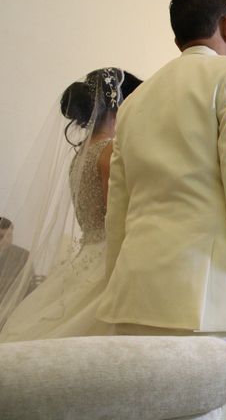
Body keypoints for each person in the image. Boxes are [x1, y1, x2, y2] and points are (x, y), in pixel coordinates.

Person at [95, 0, 226, 419]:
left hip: (134, 303)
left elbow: (117, 218)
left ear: (178, 37)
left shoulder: (137, 101)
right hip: (209, 311)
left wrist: (117, 293)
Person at [0, 68, 142, 340]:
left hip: (84, 256)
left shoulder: (80, 155)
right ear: (120, 106)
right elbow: (116, 216)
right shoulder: (110, 152)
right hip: (106, 259)